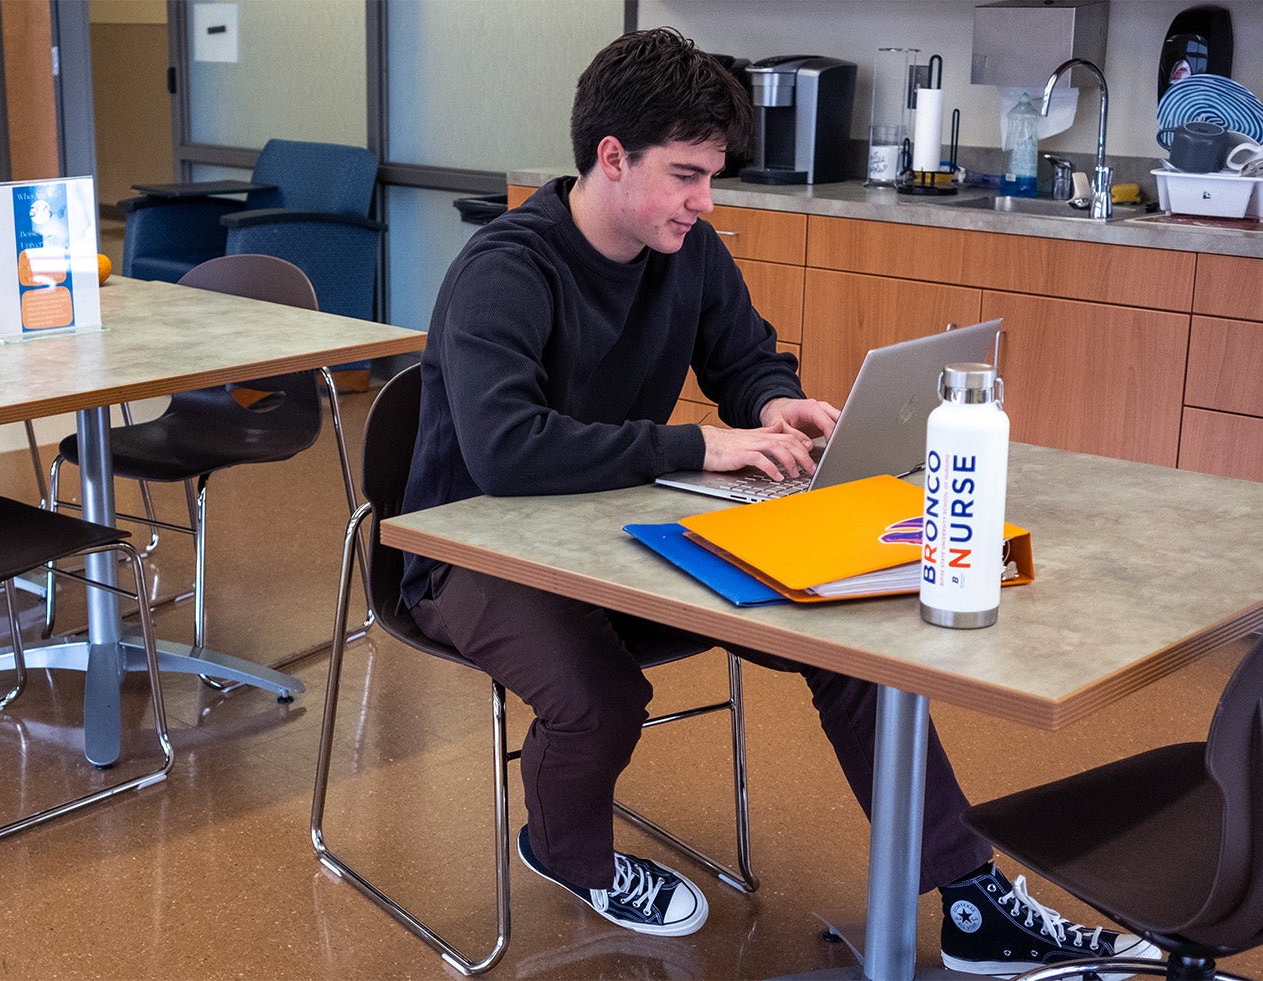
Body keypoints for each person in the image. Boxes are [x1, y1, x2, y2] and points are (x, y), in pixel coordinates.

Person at [401, 26, 1160, 975]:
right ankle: (564, 849)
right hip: (467, 550)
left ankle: (972, 900)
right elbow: (505, 450)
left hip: (612, 535)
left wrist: (769, 398)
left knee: (852, 649)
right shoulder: (507, 270)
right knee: (598, 695)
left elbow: (743, 354)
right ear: (609, 157)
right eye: (685, 175)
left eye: (711, 177)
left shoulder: (691, 252)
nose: (702, 201)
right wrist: (703, 442)